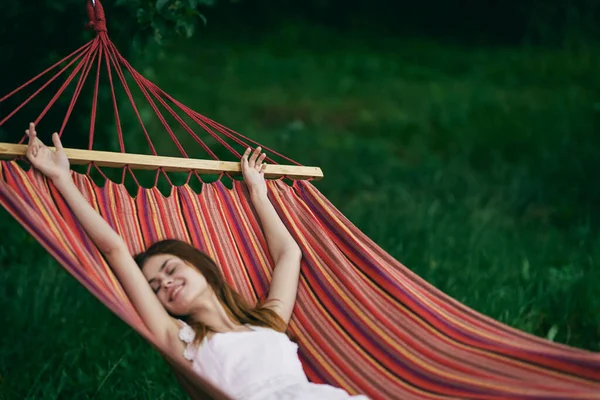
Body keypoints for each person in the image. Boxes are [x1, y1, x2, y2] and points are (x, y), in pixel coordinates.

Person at [25, 123, 369, 400]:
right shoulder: (179, 339)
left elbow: (288, 255)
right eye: (155, 287)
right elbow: (115, 249)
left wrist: (259, 193)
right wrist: (62, 180)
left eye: (170, 269)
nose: (166, 284)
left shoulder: (268, 322)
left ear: (202, 268)